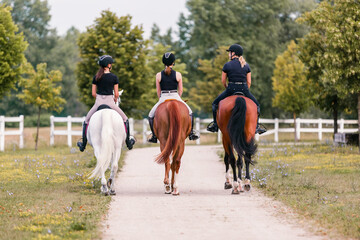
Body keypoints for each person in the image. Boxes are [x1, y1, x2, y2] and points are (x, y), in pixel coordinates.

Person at [77, 55, 136, 151]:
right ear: (108, 65)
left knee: (86, 121)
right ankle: (128, 142)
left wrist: (99, 98)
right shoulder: (114, 77)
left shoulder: (96, 77)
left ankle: (83, 144)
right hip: (110, 102)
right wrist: (115, 99)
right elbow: (116, 94)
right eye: (111, 64)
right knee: (125, 119)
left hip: (98, 103)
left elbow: (93, 93)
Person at [207, 44, 266, 134]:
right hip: (244, 89)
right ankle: (257, 126)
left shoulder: (227, 65)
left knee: (215, 104)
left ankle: (215, 125)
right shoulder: (246, 66)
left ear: (233, 53)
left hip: (231, 88)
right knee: (257, 105)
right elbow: (249, 82)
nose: (228, 54)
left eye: (229, 52)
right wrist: (245, 90)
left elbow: (223, 81)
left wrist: (227, 88)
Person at [147, 52, 199, 143]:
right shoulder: (178, 74)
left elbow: (158, 91)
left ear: (163, 62)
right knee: (190, 113)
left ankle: (154, 136)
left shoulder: (158, 75)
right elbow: (181, 90)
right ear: (173, 63)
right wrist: (178, 98)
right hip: (175, 96)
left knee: (151, 115)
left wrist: (161, 99)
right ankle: (191, 133)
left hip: (163, 96)